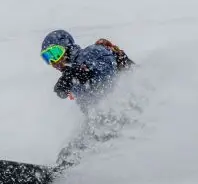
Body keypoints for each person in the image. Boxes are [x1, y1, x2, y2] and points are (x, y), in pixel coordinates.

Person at [40, 29, 135, 170]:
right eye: (47, 57)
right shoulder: (72, 74)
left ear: (67, 48)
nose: (54, 61)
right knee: (68, 153)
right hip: (104, 120)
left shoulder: (91, 52)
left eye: (55, 53)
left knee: (73, 153)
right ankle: (65, 174)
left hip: (123, 113)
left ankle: (66, 171)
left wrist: (83, 72)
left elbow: (107, 70)